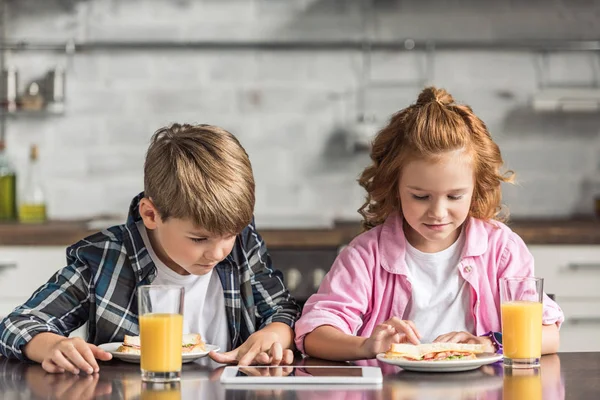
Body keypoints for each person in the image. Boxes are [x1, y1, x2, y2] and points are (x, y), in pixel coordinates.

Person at [0, 123, 301, 374]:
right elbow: (18, 323)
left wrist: (275, 333)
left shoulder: (244, 245)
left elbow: (282, 310)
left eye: (230, 235)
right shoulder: (105, 259)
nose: (219, 252)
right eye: (199, 239)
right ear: (150, 214)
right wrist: (51, 345)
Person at [294, 87, 564, 361]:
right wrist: (367, 346)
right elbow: (315, 333)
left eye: (455, 196)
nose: (438, 212)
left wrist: (488, 344)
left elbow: (549, 334)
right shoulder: (366, 256)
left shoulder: (501, 249)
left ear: (476, 188)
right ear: (394, 186)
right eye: (421, 196)